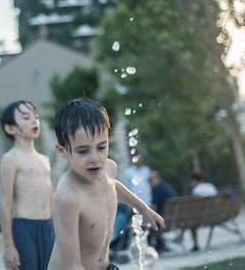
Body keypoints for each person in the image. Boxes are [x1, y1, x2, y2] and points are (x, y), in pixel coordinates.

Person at [48, 98, 165, 270]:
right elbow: (72, 264)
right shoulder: (68, 197)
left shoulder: (109, 169)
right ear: (63, 151)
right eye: (83, 151)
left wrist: (142, 208)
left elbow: (113, 186)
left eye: (101, 147)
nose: (95, 158)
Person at [0, 100, 54, 270]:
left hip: (48, 227)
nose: (34, 120)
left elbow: (50, 199)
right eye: (26, 117)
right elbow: (5, 203)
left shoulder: (45, 160)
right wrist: (9, 246)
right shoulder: (11, 159)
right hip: (24, 228)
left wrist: (58, 231)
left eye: (36, 117)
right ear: (11, 128)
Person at [148, 171, 178, 252]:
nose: (150, 183)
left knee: (147, 225)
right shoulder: (166, 186)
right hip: (174, 219)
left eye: (150, 180)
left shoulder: (156, 189)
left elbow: (154, 208)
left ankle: (156, 248)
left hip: (164, 222)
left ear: (157, 178)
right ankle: (161, 245)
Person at [189, 172, 218, 251]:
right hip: (217, 215)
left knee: (191, 224)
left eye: (191, 181)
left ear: (194, 180)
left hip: (202, 218)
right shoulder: (210, 186)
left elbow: (194, 207)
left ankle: (195, 245)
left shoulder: (196, 190)